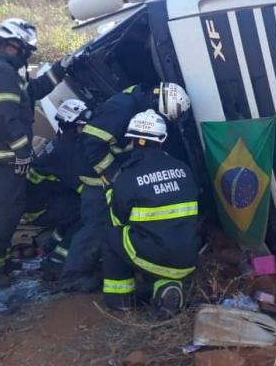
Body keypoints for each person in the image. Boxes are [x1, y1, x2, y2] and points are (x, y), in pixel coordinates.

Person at [59, 82, 191, 292]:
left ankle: (94, 268)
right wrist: (113, 176)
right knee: (98, 225)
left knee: (111, 226)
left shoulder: (137, 105)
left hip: (109, 175)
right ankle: (73, 276)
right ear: (158, 104)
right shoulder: (122, 107)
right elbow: (92, 143)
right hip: (96, 177)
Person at [0, 18, 73, 288]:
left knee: (5, 212)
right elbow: (4, 118)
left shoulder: (8, 74)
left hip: (3, 158)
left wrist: (60, 70)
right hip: (3, 159)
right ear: (16, 46)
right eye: (28, 51)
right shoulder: (2, 73)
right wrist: (23, 151)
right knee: (1, 214)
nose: (29, 56)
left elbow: (34, 92)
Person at [100, 110, 199, 318]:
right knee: (158, 238)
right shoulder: (183, 168)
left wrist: (110, 192)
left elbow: (118, 218)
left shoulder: (128, 176)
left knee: (111, 235)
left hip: (156, 256)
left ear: (132, 140)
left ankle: (120, 300)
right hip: (189, 257)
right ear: (162, 139)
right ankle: (166, 285)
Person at [21, 99, 87, 279]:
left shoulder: (60, 141)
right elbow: (81, 186)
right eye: (82, 125)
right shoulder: (67, 150)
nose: (86, 129)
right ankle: (57, 261)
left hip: (38, 201)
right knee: (88, 212)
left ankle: (49, 246)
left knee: (73, 206)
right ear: (74, 125)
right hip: (38, 209)